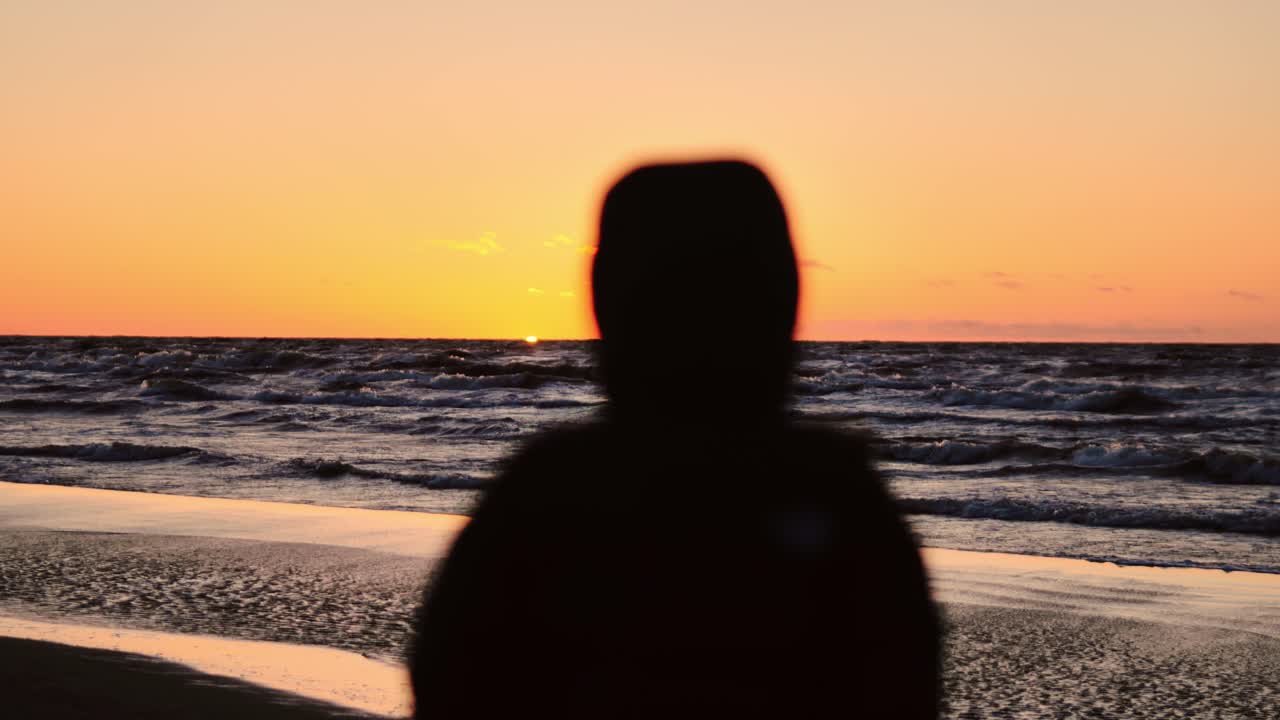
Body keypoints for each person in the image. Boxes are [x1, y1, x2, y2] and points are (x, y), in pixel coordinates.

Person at [411, 160, 939, 718]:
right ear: (781, 300)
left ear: (606, 304)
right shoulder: (835, 492)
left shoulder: (551, 490)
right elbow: (905, 680)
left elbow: (449, 676)